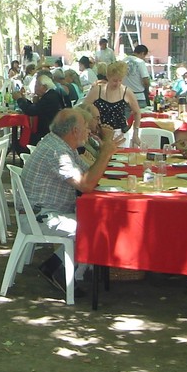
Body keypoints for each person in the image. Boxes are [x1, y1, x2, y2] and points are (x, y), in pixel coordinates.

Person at [21, 109, 118, 293]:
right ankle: (59, 270)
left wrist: (104, 151)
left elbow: (90, 173)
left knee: (97, 220)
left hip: (48, 211)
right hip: (40, 216)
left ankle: (55, 267)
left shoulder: (63, 146)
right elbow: (86, 184)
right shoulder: (57, 152)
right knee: (93, 227)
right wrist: (105, 152)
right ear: (74, 131)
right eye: (86, 128)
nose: (89, 131)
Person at [84, 60, 141, 148]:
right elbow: (83, 109)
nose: (117, 83)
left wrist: (135, 133)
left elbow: (137, 112)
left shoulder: (126, 92)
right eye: (114, 80)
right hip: (99, 134)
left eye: (120, 80)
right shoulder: (97, 90)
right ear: (108, 77)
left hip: (119, 133)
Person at [16, 71, 66, 145]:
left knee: (20, 143)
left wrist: (19, 99)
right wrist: (24, 99)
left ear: (44, 87)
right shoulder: (51, 94)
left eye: (36, 86)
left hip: (46, 131)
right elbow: (34, 107)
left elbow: (31, 111)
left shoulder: (49, 97)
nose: (34, 88)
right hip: (49, 128)